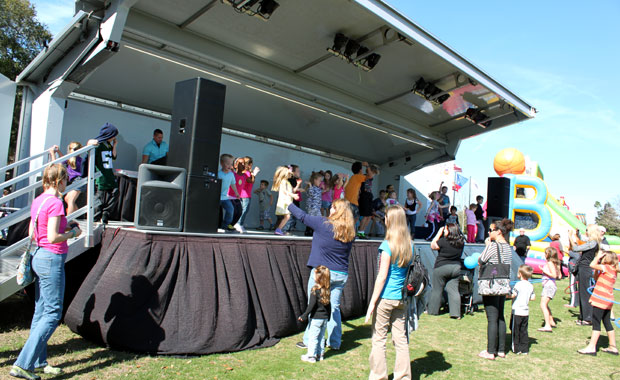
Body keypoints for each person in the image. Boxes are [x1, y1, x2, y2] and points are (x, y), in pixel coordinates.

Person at [10, 164, 82, 380]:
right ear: (60, 181)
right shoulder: (56, 202)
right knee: (52, 313)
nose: (67, 183)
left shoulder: (39, 200)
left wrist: (64, 226)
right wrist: (73, 233)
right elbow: (53, 237)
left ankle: (39, 361)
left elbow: (34, 231)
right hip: (51, 258)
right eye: (66, 180)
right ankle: (23, 364)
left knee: (41, 311)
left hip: (38, 256)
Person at [291, 198, 355, 351]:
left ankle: (309, 341)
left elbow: (302, 216)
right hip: (340, 274)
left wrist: (288, 203)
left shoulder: (323, 224)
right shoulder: (350, 231)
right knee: (334, 308)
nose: (330, 210)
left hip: (322, 274)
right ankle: (334, 342)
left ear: (338, 211)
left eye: (333, 207)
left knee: (314, 306)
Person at [365, 205, 413, 380]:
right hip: (401, 298)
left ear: (389, 220)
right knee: (401, 340)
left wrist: (372, 303)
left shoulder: (387, 245)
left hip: (386, 298)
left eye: (385, 217)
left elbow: (382, 277)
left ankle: (378, 376)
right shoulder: (410, 245)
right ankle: (404, 377)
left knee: (379, 339)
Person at [477, 218, 514, 360]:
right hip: (503, 284)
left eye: (491, 230)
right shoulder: (508, 247)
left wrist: (487, 245)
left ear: (498, 232)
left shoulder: (493, 246)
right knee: (500, 316)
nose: (489, 232)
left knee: (492, 317)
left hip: (491, 285)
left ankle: (490, 351)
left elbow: (481, 260)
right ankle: (501, 350)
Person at [577, 250, 619, 355]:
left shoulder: (606, 267)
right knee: (607, 322)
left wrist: (597, 258)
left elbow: (592, 264)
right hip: (608, 300)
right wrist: (597, 269)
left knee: (596, 322)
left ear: (607, 258)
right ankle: (612, 346)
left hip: (600, 299)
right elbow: (596, 278)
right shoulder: (613, 269)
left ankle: (591, 347)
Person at [428, 223, 465, 319]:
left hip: (441, 267)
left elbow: (432, 245)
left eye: (445, 230)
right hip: (456, 268)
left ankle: (433, 311)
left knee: (437, 290)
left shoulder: (443, 241)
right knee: (453, 290)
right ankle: (455, 313)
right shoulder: (461, 242)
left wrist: (438, 234)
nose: (444, 231)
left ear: (449, 231)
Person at [298, 265, 332, 363]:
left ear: (318, 278)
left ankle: (311, 356)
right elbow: (329, 306)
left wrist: (304, 315)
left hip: (316, 319)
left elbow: (311, 306)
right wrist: (328, 316)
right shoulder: (327, 290)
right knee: (321, 337)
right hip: (324, 319)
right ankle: (320, 354)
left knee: (313, 337)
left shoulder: (315, 290)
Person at [569, 225, 601, 326]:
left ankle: (588, 318)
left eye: (587, 231)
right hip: (583, 268)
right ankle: (583, 316)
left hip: (585, 269)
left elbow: (575, 248)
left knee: (585, 294)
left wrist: (570, 236)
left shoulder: (593, 243)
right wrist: (577, 233)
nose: (586, 232)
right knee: (582, 293)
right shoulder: (592, 242)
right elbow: (582, 239)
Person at [48, 142, 86, 216]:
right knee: (67, 199)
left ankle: (69, 219)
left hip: (79, 180)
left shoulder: (76, 160)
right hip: (78, 181)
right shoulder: (76, 159)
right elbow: (64, 159)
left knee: (71, 199)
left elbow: (55, 165)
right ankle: (77, 215)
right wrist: (58, 151)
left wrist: (53, 154)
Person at [92, 123, 119, 224]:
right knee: (99, 197)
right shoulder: (98, 145)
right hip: (101, 176)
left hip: (109, 174)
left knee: (115, 192)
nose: (114, 137)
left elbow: (114, 157)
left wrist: (114, 145)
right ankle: (95, 217)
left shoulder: (108, 145)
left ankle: (106, 213)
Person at [507, 265, 535, 355]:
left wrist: (507, 295)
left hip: (517, 311)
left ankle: (516, 348)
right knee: (524, 331)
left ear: (520, 274)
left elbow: (513, 295)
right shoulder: (531, 286)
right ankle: (525, 349)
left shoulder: (518, 284)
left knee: (515, 330)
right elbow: (533, 297)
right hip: (525, 312)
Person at [538, 247, 561, 332]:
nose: (544, 254)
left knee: (543, 305)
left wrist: (543, 270)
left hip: (549, 286)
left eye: (545, 253)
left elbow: (554, 275)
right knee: (545, 304)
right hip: (549, 286)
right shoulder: (554, 263)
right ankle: (551, 321)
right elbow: (559, 276)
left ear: (548, 254)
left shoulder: (550, 263)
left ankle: (547, 326)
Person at [272, 166, 299, 236]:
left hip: (287, 201)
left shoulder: (286, 182)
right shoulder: (283, 182)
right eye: (289, 174)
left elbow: (290, 190)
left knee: (286, 217)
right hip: (284, 202)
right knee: (287, 216)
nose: (290, 175)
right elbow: (284, 191)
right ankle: (278, 229)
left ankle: (279, 229)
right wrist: (293, 195)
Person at [357, 164, 380, 239]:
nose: (373, 174)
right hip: (364, 196)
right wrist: (367, 166)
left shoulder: (370, 177)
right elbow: (369, 172)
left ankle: (362, 231)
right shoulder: (365, 176)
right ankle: (360, 232)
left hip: (369, 196)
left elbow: (371, 173)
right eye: (373, 172)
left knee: (369, 216)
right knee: (365, 215)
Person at [218, 154, 240, 232]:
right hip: (217, 197)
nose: (229, 166)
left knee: (230, 209)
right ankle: (216, 224)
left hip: (224, 197)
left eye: (231, 164)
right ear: (221, 163)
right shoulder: (219, 174)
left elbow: (233, 184)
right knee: (216, 212)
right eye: (227, 164)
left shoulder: (231, 174)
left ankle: (226, 225)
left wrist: (236, 193)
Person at [304, 172, 324, 236]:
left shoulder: (318, 188)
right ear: (315, 180)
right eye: (319, 181)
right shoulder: (311, 187)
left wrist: (323, 189)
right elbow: (311, 194)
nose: (320, 182)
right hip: (312, 207)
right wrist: (310, 185)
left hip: (317, 207)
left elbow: (319, 196)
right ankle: (308, 231)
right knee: (312, 219)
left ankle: (312, 231)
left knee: (317, 219)